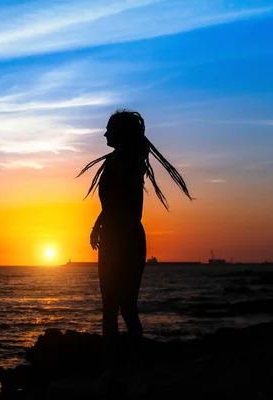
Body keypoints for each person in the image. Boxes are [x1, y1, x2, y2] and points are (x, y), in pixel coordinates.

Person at [77, 109, 192, 391]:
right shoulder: (118, 161)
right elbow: (110, 206)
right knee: (116, 307)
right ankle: (122, 370)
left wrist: (112, 234)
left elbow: (125, 207)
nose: (105, 134)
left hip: (125, 239)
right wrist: (97, 228)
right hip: (115, 238)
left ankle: (120, 371)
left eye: (109, 129)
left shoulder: (129, 163)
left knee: (121, 307)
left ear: (122, 133)